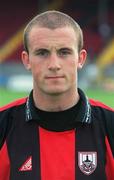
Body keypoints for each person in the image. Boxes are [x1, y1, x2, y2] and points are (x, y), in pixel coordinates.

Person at [0, 10, 114, 180]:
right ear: (26, 60)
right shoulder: (3, 125)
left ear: (81, 58)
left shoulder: (110, 125)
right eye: (42, 53)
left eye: (64, 52)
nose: (54, 64)